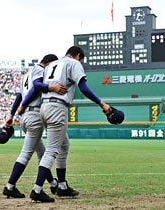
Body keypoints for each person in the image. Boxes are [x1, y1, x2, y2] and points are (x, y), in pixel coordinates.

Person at [26, 46, 112, 203]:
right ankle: (37, 189)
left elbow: (37, 86)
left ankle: (62, 186)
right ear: (78, 55)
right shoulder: (74, 63)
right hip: (57, 107)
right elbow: (83, 87)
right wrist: (102, 104)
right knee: (52, 150)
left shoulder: (52, 64)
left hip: (43, 107)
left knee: (64, 145)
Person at [2, 54, 67, 198]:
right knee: (26, 154)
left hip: (25, 116)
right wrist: (51, 87)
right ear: (48, 63)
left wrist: (12, 115)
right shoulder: (40, 70)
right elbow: (36, 87)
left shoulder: (26, 75)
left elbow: (19, 96)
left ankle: (53, 183)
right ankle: (10, 186)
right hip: (34, 114)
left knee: (42, 154)